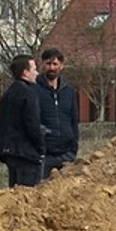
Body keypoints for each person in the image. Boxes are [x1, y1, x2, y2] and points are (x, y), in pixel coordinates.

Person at [0, 53, 45, 188]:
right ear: (25, 72)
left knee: (14, 194)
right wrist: (41, 149)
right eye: (34, 69)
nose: (37, 73)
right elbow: (32, 125)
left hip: (10, 153)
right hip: (27, 154)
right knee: (27, 194)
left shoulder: (8, 94)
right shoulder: (28, 94)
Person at [35, 47, 79, 175]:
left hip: (67, 154)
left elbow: (74, 120)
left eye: (55, 64)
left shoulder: (69, 92)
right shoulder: (34, 90)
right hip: (44, 155)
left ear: (61, 66)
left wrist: (74, 148)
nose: (52, 67)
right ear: (42, 64)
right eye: (48, 63)